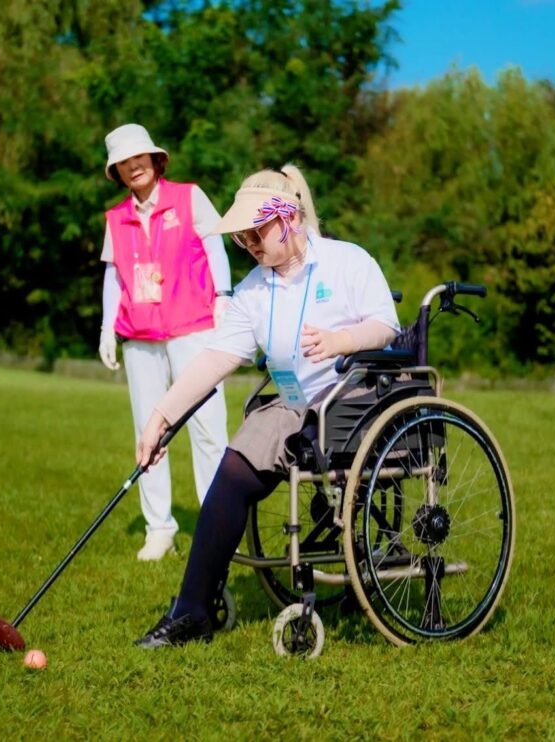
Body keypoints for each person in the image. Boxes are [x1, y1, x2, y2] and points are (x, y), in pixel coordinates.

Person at [131, 164, 400, 647]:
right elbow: (214, 359)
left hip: (356, 397)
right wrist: (159, 418)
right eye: (243, 238)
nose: (251, 244)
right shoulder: (253, 289)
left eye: (258, 232)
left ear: (288, 219)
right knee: (233, 469)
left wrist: (341, 340)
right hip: (295, 407)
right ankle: (192, 611)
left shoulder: (347, 261)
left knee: (300, 427)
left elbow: (386, 325)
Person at [99, 123, 232, 561]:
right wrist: (106, 328)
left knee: (207, 427)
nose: (133, 166)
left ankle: (217, 524)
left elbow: (214, 247)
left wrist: (224, 296)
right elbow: (113, 276)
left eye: (139, 157)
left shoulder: (189, 197)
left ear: (155, 160)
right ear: (117, 171)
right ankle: (159, 529)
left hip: (193, 327)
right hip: (140, 336)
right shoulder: (115, 218)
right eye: (124, 162)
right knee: (148, 433)